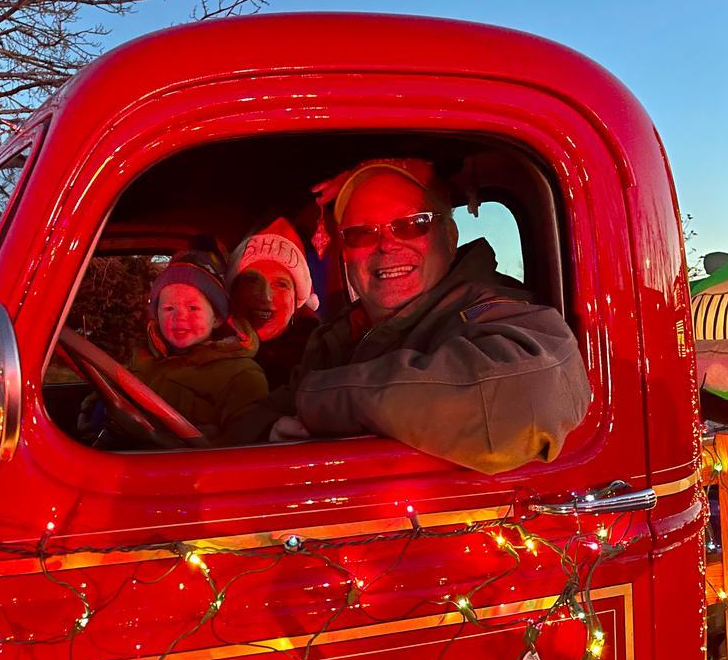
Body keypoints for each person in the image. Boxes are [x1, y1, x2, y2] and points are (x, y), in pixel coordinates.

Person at [235, 157, 591, 474]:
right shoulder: (338, 334)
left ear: (448, 236)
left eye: (412, 224)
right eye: (362, 233)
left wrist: (321, 403)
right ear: (345, 253)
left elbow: (531, 394)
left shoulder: (487, 310)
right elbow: (265, 411)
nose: (387, 245)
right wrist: (268, 429)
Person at [80, 250, 269, 445]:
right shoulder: (146, 357)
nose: (179, 317)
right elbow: (113, 389)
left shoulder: (241, 376)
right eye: (169, 308)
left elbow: (244, 449)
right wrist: (91, 410)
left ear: (217, 318)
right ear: (157, 316)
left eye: (193, 308)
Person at [226, 218, 321, 389]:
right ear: (234, 291)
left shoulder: (319, 357)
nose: (266, 296)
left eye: (280, 284)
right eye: (252, 281)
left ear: (296, 300)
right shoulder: (206, 347)